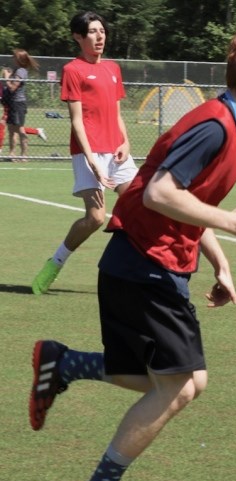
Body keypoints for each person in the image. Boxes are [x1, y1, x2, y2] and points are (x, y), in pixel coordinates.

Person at [29, 21, 236, 481]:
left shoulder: (224, 125)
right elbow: (160, 194)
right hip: (143, 267)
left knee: (180, 382)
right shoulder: (215, 126)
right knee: (178, 386)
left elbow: (186, 202)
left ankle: (64, 365)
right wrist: (231, 221)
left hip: (143, 266)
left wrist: (220, 262)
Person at [31, 12, 138, 295]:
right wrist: (91, 160)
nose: (100, 36)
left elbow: (117, 113)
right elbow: (77, 120)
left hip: (117, 152)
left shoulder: (114, 68)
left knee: (140, 206)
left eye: (102, 30)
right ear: (78, 37)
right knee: (96, 218)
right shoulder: (73, 70)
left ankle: (135, 272)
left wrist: (126, 143)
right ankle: (55, 263)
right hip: (87, 153)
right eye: (92, 31)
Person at [1, 49, 46, 160]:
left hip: (18, 104)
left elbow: (12, 88)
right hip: (11, 103)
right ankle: (12, 154)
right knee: (11, 130)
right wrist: (7, 75)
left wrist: (6, 77)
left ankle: (24, 155)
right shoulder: (16, 70)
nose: (13, 58)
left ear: (19, 59)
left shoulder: (21, 71)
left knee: (19, 129)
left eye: (15, 57)